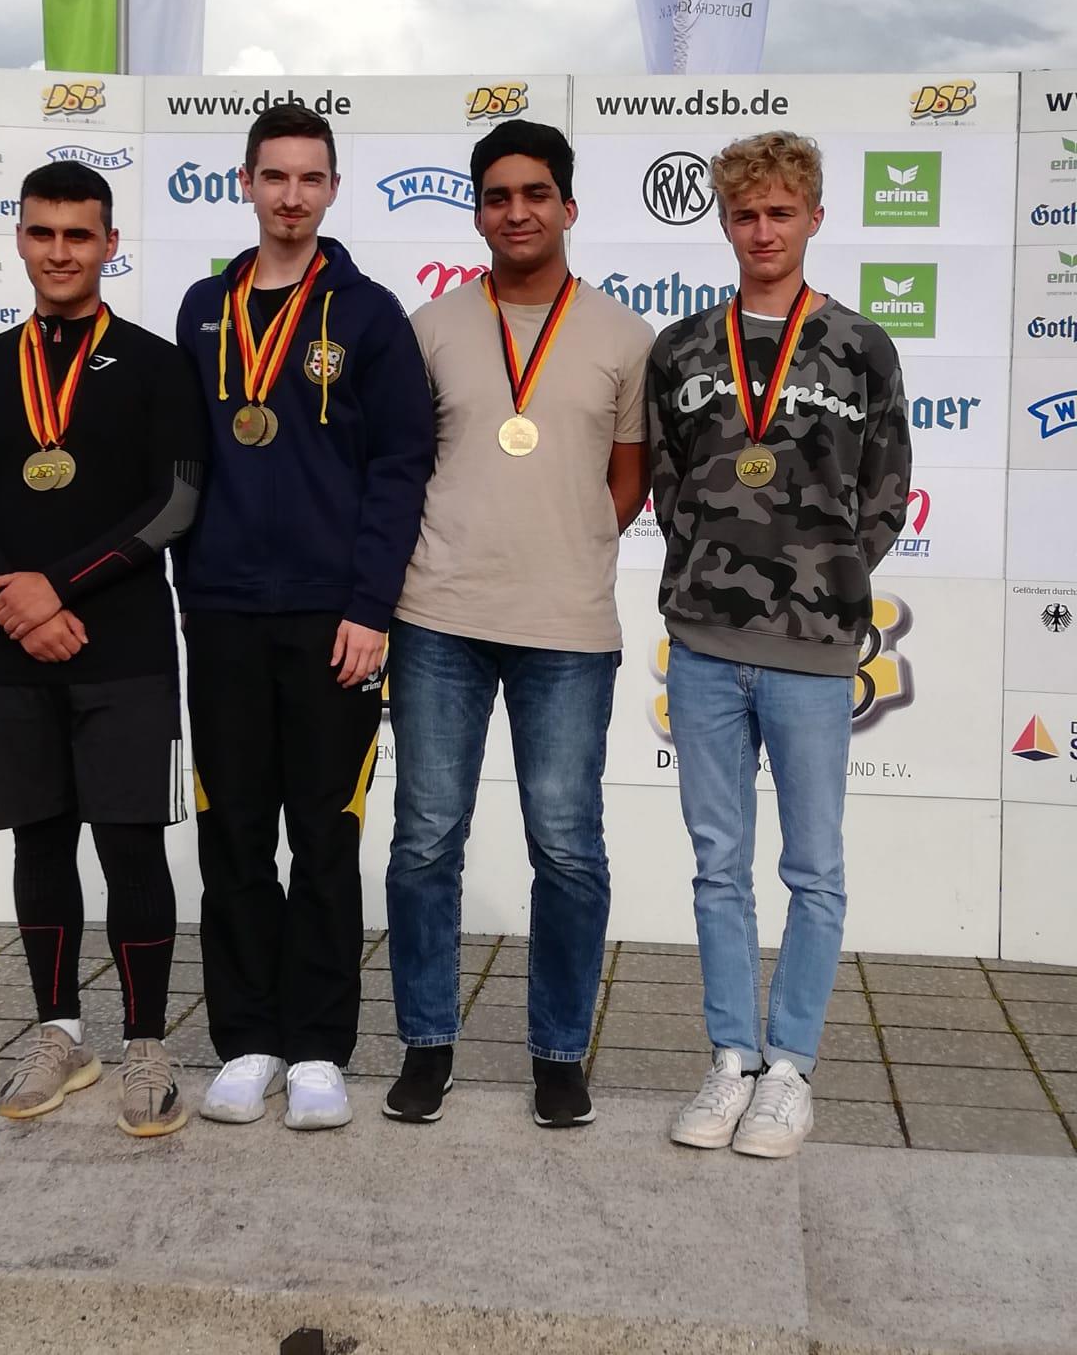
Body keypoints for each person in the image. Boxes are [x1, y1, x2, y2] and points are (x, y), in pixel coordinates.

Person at [0, 160, 206, 1137]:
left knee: (131, 845)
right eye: (42, 232)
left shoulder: (158, 364)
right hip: (9, 651)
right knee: (39, 841)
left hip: (124, 648)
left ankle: (146, 1045)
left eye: (78, 234)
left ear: (109, 244)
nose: (59, 252)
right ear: (18, 238)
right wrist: (18, 602)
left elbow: (177, 501)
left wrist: (60, 587)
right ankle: (60, 1034)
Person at [384, 120, 653, 1129]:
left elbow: (627, 482)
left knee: (568, 846)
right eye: (497, 195)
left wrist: (561, 543)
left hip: (567, 626)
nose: (517, 211)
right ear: (478, 212)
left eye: (536, 193)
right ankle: (426, 1044)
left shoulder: (624, 337)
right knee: (425, 841)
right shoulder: (430, 328)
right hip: (438, 616)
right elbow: (405, 468)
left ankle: (559, 1054)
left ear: (569, 207)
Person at [647, 131, 911, 1158]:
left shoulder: (860, 346)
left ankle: (790, 1067)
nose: (763, 231)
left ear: (814, 218)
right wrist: (713, 570)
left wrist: (828, 575)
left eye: (781, 213)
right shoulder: (682, 349)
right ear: (725, 223)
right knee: (719, 863)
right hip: (705, 644)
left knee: (813, 868)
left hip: (815, 647)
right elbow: (668, 485)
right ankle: (730, 1059)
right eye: (746, 214)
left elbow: (885, 491)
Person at [176, 104, 434, 1131]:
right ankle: (247, 1038)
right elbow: (183, 459)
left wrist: (370, 606)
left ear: (332, 188)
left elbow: (400, 467)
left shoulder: (369, 315)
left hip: (335, 620)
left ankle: (321, 1046)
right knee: (233, 830)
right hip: (223, 612)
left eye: (309, 178)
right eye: (274, 176)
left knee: (326, 835)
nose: (291, 196)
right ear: (244, 182)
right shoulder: (204, 308)